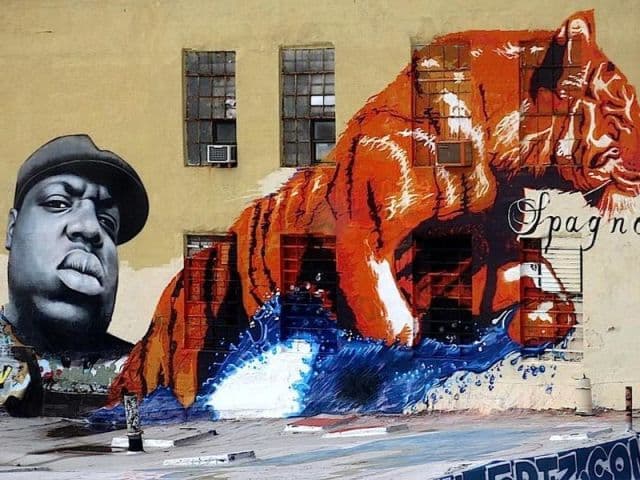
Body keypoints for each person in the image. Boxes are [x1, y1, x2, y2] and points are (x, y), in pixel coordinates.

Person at [0, 134, 149, 415]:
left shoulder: (146, 375)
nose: (91, 228)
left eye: (108, 222)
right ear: (12, 229)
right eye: (58, 203)